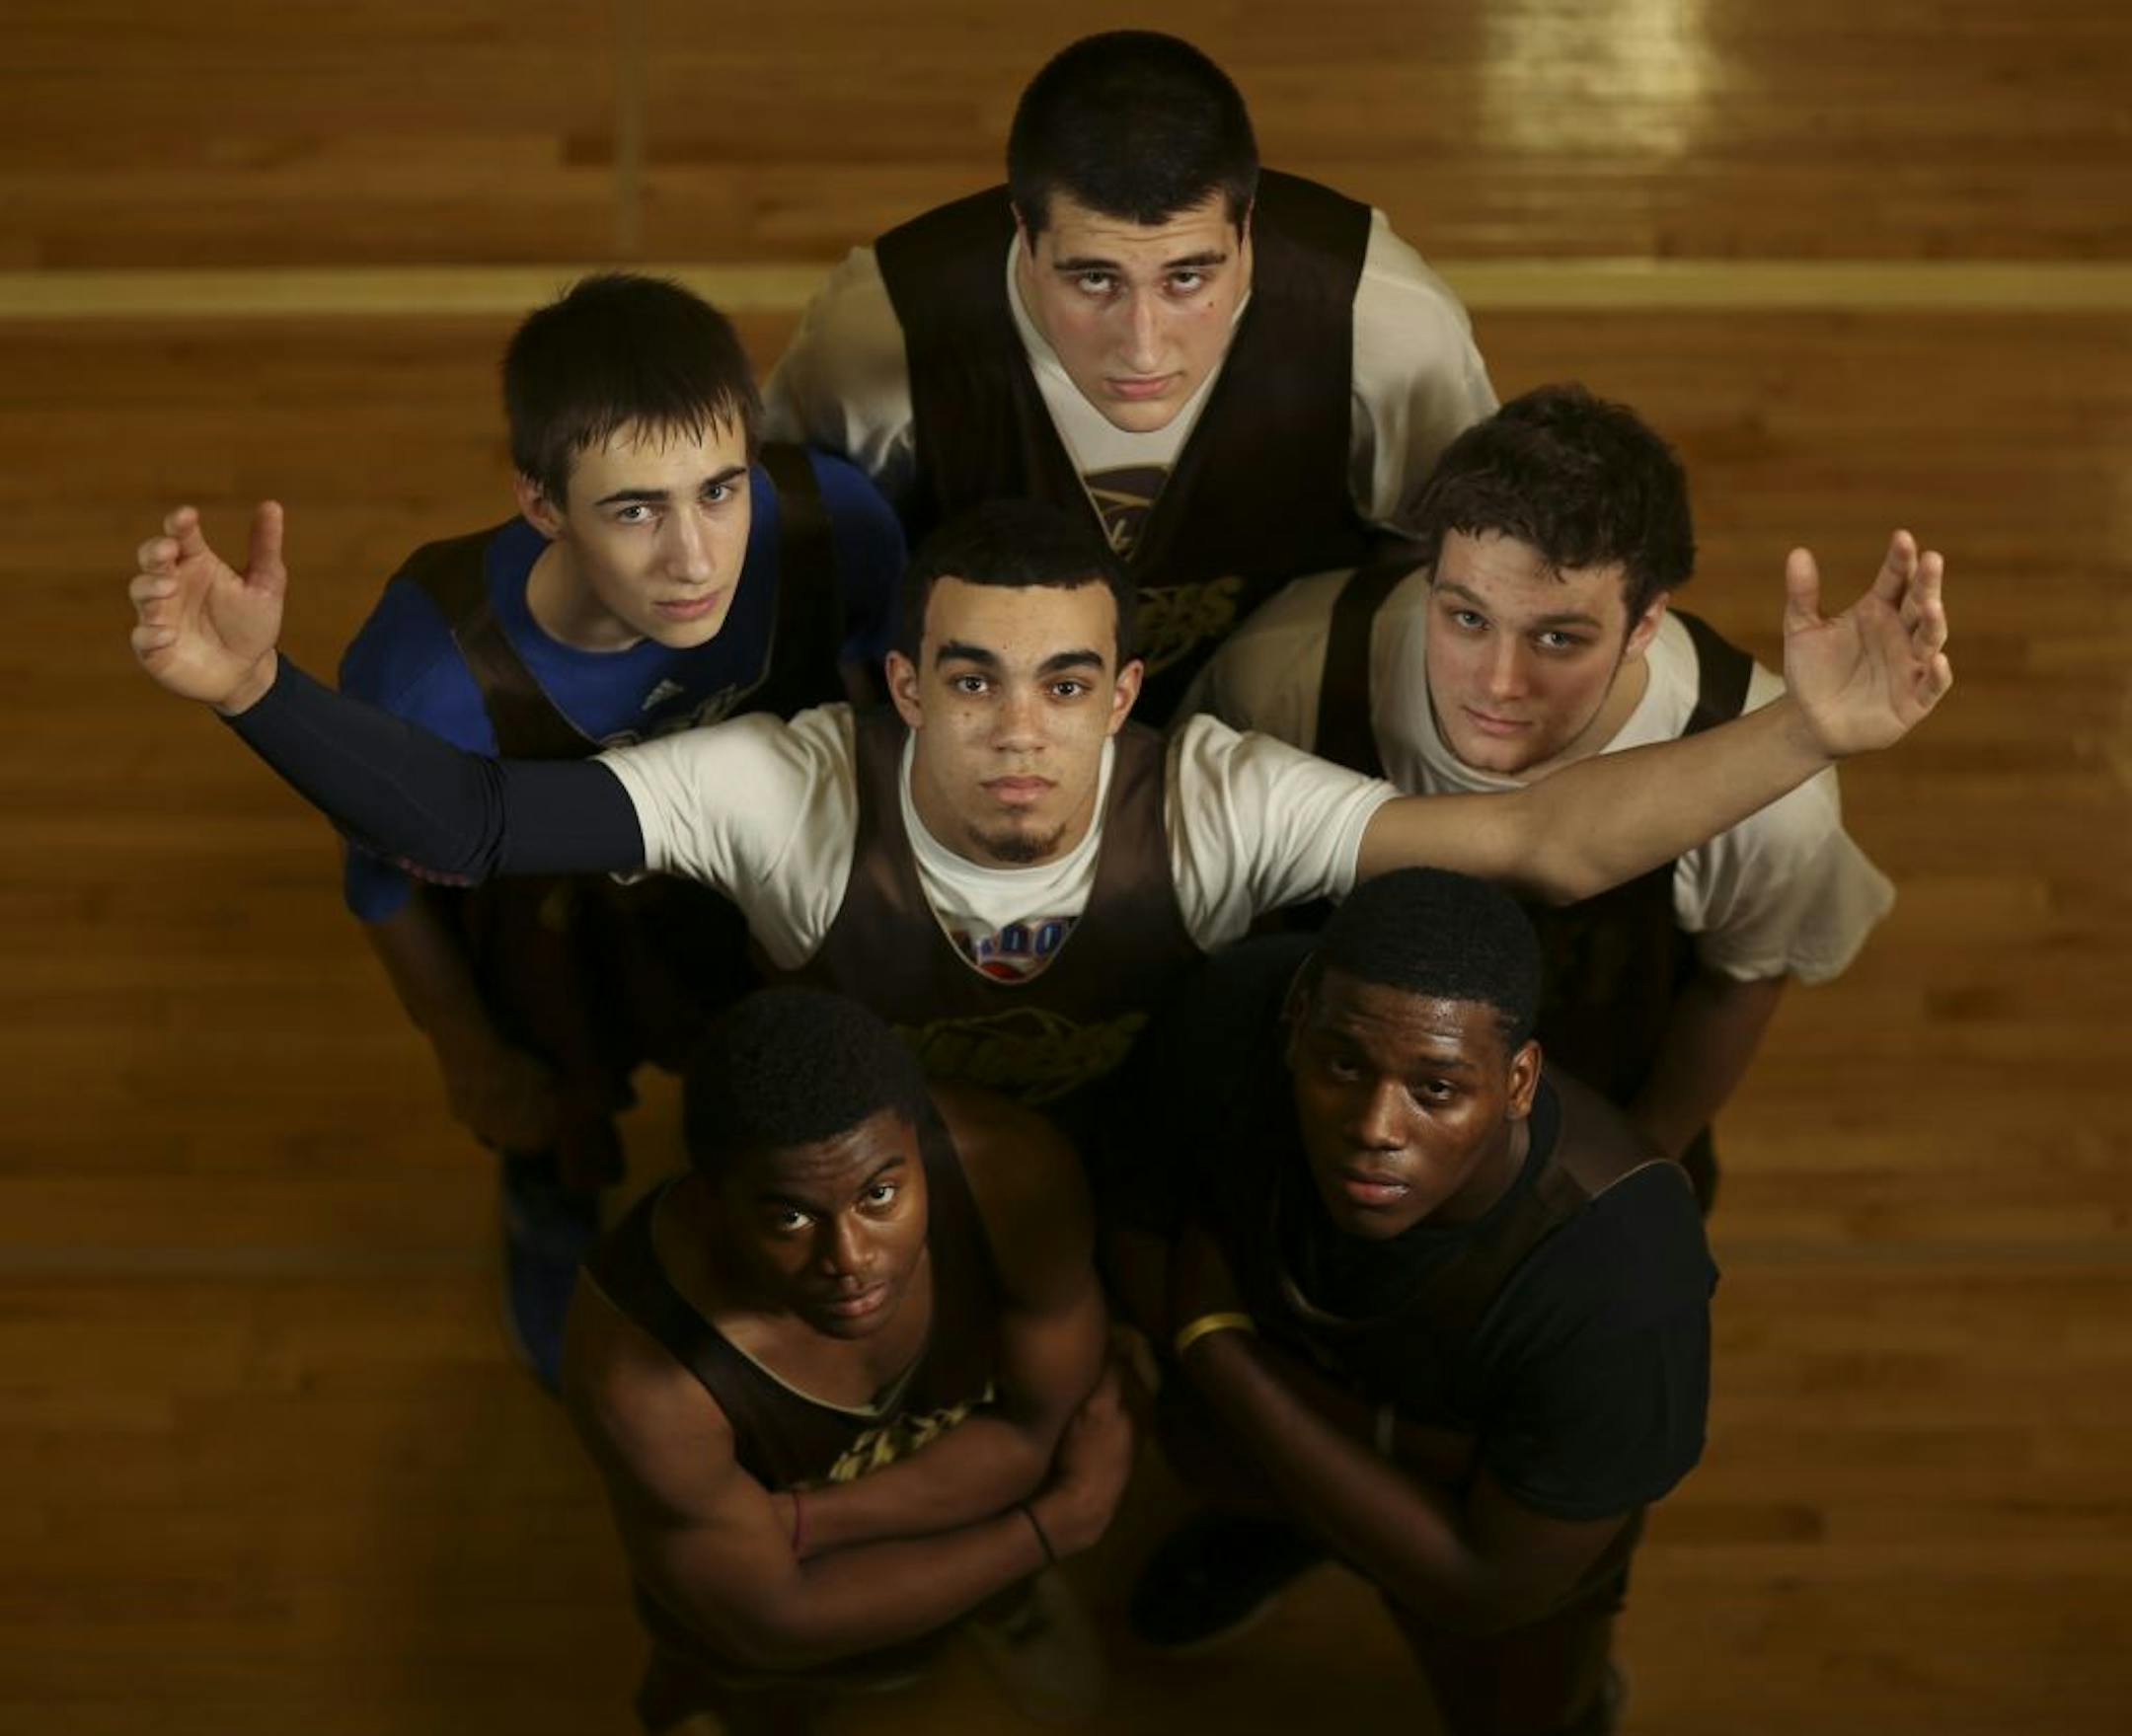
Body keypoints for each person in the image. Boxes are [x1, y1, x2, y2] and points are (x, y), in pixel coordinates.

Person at [126, 495, 1949, 1120]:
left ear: (1125, 696)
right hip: (864, 1132)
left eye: (1069, 683)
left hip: (1121, 1133)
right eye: (976, 679)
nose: (1022, 728)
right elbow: (467, 821)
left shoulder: (1221, 800)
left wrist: (1812, 730)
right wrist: (253, 692)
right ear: (903, 684)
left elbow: (1544, 842)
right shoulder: (781, 784)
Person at [337, 272, 906, 1386]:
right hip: (560, 927)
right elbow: (381, 885)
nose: (694, 557)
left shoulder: (832, 523)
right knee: (550, 1105)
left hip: (761, 886)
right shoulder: (425, 670)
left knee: (786, 1102)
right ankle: (552, 1197)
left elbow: (888, 730)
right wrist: (468, 1051)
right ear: (542, 504)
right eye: (636, 509)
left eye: (719, 489)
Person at [1190, 383, 1895, 1210]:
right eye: (1467, 619)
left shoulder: (1759, 763)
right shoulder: (1285, 674)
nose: (1499, 682)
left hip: (1592, 1140)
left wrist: (1628, 1179)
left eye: (1557, 637)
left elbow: (1738, 981)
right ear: (1429, 573)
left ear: (1644, 625)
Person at [1107, 869, 1715, 1735]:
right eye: (1343, 1064)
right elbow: (1131, 1217)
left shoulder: (1624, 1271)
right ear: (1297, 1023)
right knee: (1211, 1458)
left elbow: (1487, 1586)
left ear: (1519, 1080)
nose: (1374, 1127)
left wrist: (1216, 1351)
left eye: (1436, 1090)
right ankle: (1290, 1529)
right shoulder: (1235, 1010)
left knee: (1521, 1708)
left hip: (1472, 1506)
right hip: (1334, 1405)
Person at [764, 30, 1497, 718]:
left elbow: (1464, 568)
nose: (1144, 349)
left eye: (1186, 278)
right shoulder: (885, 331)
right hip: (982, 735)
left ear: (1246, 229)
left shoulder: (1381, 321)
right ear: (1024, 234)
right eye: (1095, 280)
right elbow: (796, 554)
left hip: (1282, 722)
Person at [562, 985, 1130, 1733]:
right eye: (792, 1216)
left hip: (849, 1533)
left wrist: (807, 1522)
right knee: (737, 1679)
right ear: (712, 1202)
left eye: (880, 1194)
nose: (850, 1258)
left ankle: (1004, 1604)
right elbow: (775, 1621)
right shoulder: (640, 1370)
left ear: (920, 1144)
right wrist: (1045, 1530)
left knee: (985, 1581)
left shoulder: (1011, 1172)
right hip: (767, 1644)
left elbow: (1038, 1436)